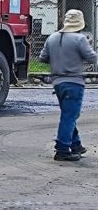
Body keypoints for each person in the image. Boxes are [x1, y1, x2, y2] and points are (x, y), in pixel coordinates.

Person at [38, 9, 96, 161]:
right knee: (70, 116)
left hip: (57, 83)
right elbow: (91, 58)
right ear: (80, 24)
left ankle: (76, 144)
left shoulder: (52, 38)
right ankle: (62, 149)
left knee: (68, 114)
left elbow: (42, 58)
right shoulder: (80, 39)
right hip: (74, 82)